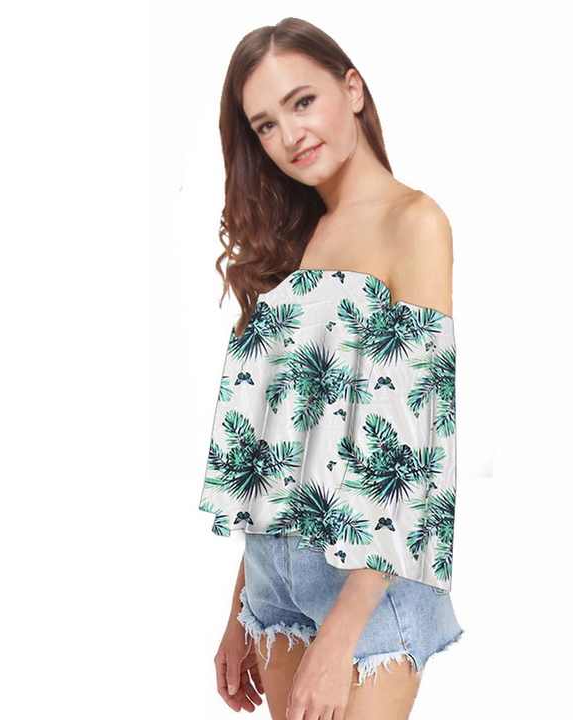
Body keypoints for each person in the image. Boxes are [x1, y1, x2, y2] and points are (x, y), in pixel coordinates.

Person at [198, 17, 464, 720]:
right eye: (265, 125)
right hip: (274, 577)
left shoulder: (414, 223)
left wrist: (341, 634)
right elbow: (279, 453)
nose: (290, 135)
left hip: (367, 581)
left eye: (302, 102)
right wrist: (239, 608)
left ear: (352, 89)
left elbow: (412, 449)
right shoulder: (292, 240)